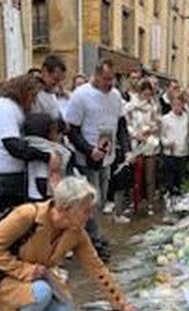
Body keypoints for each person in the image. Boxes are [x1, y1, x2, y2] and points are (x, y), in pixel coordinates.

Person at [0, 176, 138, 311]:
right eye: (86, 210)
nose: (91, 215)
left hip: (39, 277)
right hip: (8, 276)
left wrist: (121, 303)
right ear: (66, 208)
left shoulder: (76, 231)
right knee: (43, 292)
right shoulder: (27, 214)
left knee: (65, 309)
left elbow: (97, 267)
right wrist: (24, 270)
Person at [65, 59, 124, 260]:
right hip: (87, 158)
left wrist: (125, 147)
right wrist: (89, 150)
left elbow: (120, 122)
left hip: (107, 157)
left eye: (113, 79)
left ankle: (87, 238)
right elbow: (71, 130)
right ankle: (93, 240)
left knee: (100, 201)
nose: (111, 83)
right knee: (90, 201)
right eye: (107, 79)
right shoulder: (80, 95)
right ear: (96, 76)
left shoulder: (115, 96)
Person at [0, 74, 59, 212]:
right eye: (33, 95)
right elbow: (13, 145)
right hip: (1, 174)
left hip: (13, 174)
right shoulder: (5, 108)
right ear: (24, 91)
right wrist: (46, 155)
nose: (34, 100)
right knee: (3, 220)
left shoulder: (16, 107)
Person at [125, 80, 161, 216]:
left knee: (150, 176)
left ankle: (150, 203)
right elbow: (126, 124)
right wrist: (135, 134)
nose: (147, 97)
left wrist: (150, 130)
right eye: (145, 94)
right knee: (134, 176)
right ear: (140, 93)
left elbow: (158, 123)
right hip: (135, 144)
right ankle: (133, 203)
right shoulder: (131, 106)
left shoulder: (154, 106)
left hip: (150, 144)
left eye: (149, 94)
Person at [24, 113, 66, 201]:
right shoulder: (51, 150)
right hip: (44, 192)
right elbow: (45, 178)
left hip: (33, 193)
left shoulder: (31, 146)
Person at [161, 93, 189, 197]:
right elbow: (161, 136)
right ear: (171, 105)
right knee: (169, 178)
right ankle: (169, 197)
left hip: (183, 152)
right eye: (174, 104)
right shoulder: (166, 118)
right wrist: (167, 143)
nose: (177, 107)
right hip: (170, 152)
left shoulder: (187, 118)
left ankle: (178, 198)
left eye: (179, 104)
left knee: (180, 178)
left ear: (183, 104)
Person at [32, 54, 66, 121]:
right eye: (55, 79)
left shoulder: (51, 92)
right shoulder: (33, 93)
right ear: (45, 72)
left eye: (60, 80)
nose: (57, 84)